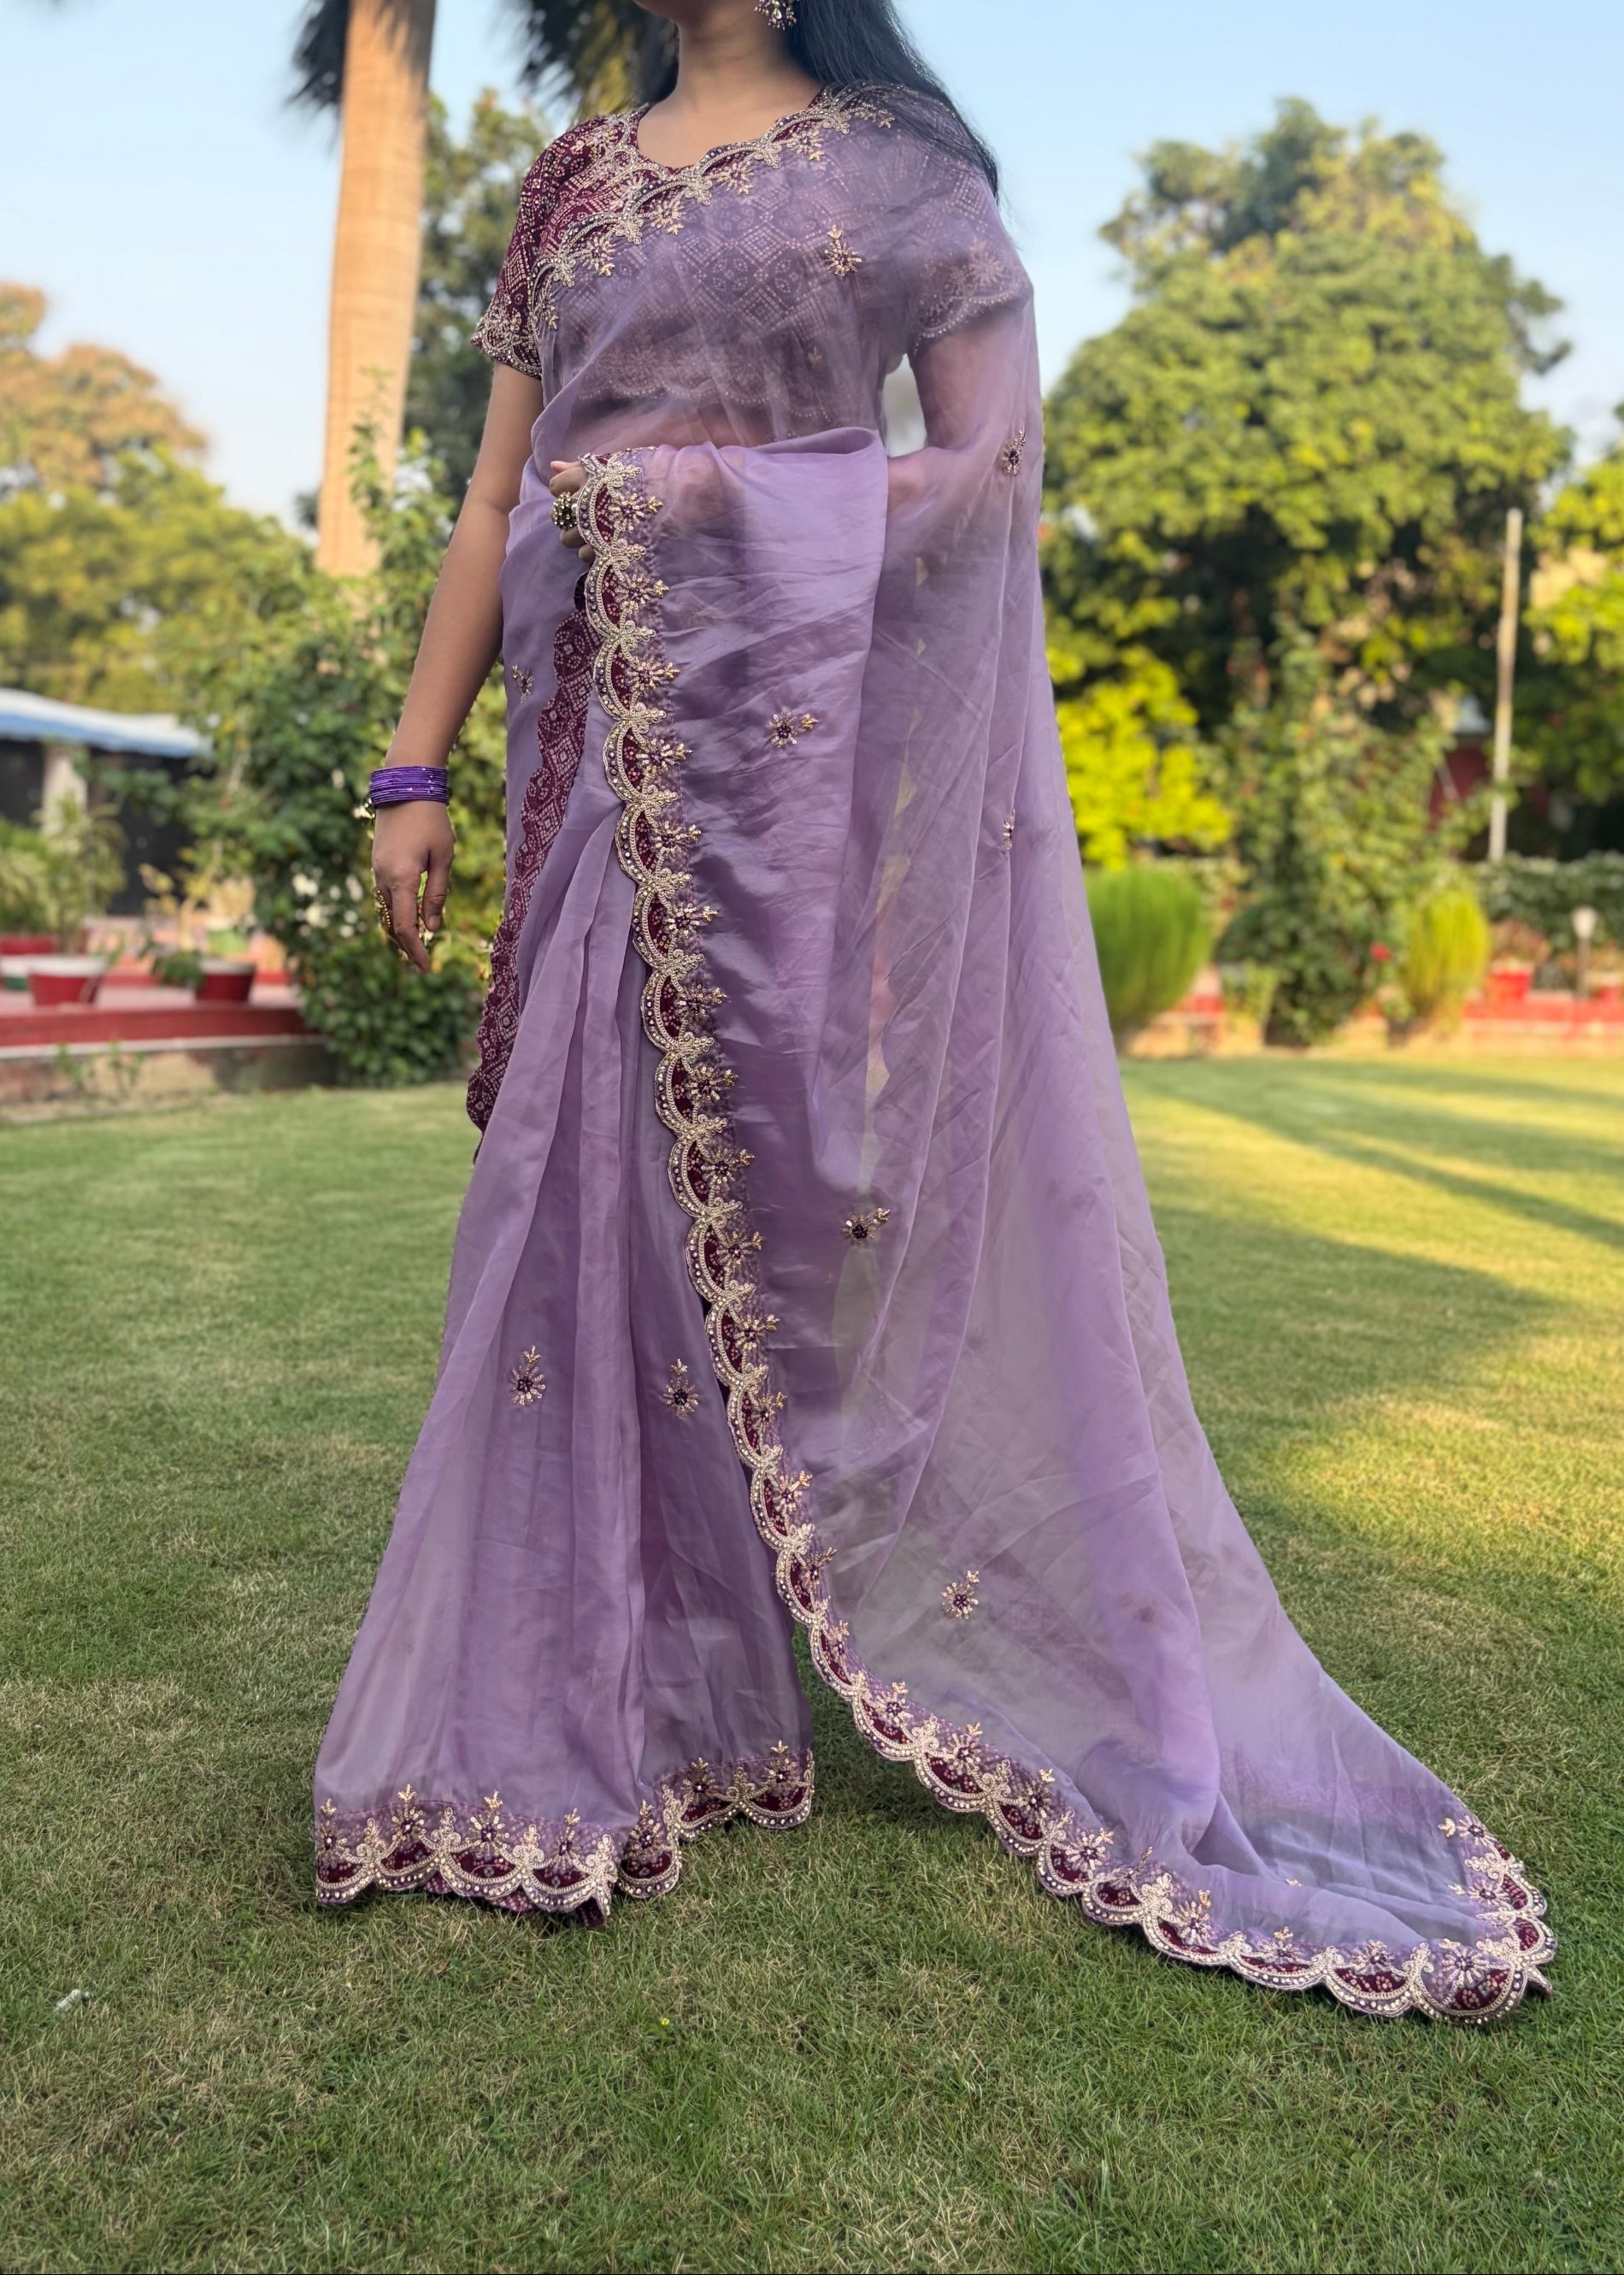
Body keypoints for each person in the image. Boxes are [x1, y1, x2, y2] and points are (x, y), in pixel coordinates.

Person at [315, 0, 1552, 2023]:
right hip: (582, 769)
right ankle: (596, 1696)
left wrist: (706, 507)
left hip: (786, 780)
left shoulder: (901, 173)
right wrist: (411, 763)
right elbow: (488, 505)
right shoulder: (561, 189)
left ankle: (743, 1663)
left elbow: (982, 476)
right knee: (562, 1200)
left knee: (787, 1211)